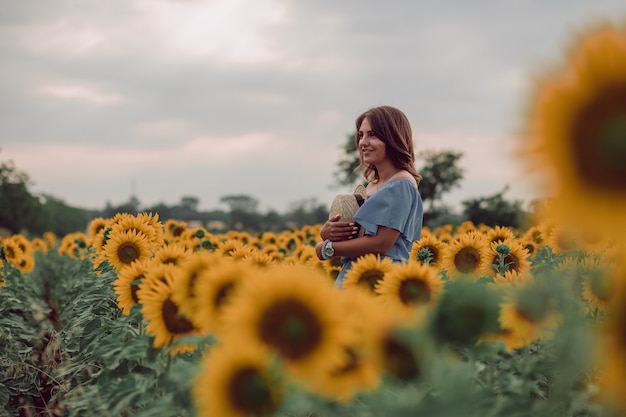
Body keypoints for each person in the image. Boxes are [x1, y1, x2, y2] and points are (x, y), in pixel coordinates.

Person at [315, 105, 424, 288]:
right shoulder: (373, 185)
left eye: (372, 134)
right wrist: (327, 233)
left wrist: (326, 249)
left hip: (381, 282)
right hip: (356, 276)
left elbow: (381, 243)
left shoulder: (401, 184)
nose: (363, 142)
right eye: (361, 135)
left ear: (392, 137)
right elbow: (360, 235)